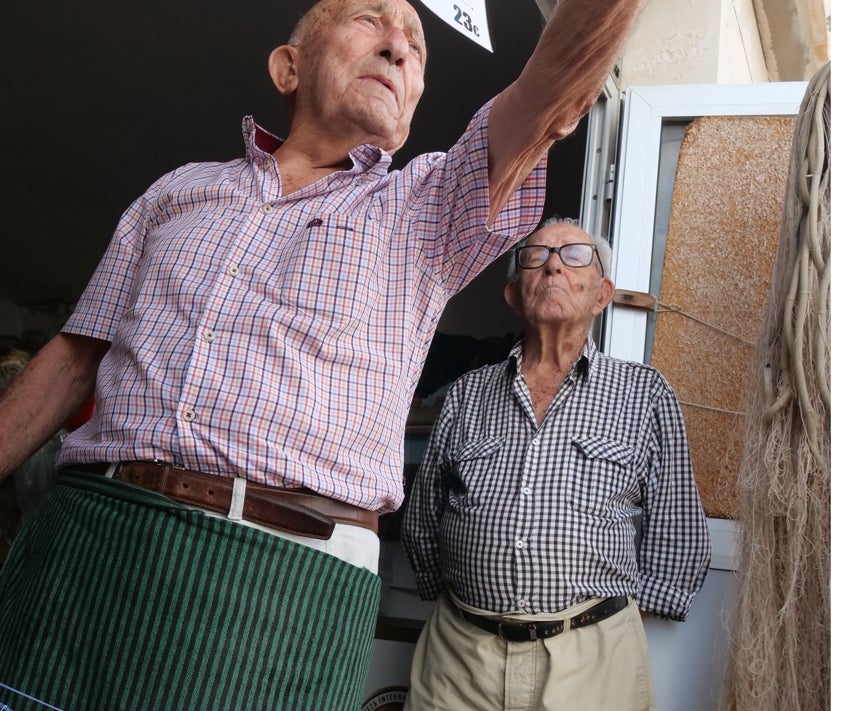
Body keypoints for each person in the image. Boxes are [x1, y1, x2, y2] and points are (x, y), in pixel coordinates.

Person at [0, 2, 646, 709]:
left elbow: (555, 88)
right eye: (371, 20)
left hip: (284, 584)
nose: (400, 49)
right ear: (289, 66)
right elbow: (73, 356)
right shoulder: (176, 192)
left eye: (417, 47)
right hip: (84, 538)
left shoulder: (425, 205)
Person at [401, 217, 712, 710]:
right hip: (461, 654)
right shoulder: (466, 394)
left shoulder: (644, 394)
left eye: (573, 256)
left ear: (602, 295)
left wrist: (606, 624)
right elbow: (422, 521)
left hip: (592, 658)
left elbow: (677, 531)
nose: (552, 266)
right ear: (512, 294)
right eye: (536, 255)